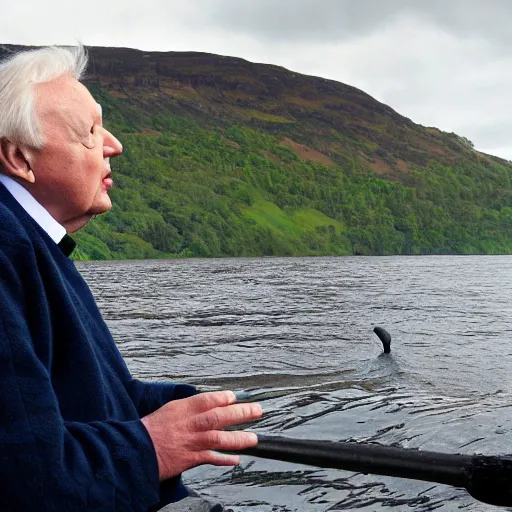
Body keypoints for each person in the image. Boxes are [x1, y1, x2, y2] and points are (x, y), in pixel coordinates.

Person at [0, 45, 262, 511]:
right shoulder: (5, 243)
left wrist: (193, 411)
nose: (114, 144)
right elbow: (27, 474)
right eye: (91, 131)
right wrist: (153, 445)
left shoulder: (35, 244)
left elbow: (90, 400)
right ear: (19, 158)